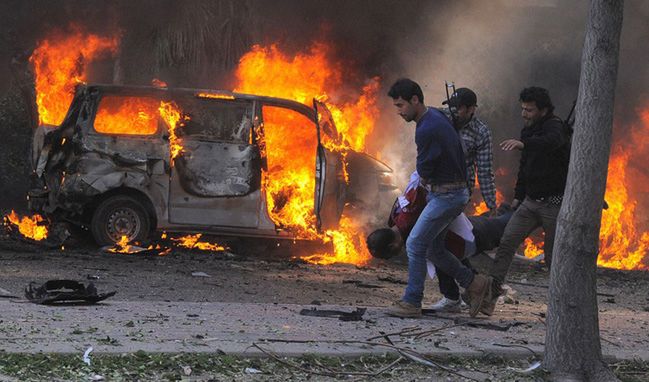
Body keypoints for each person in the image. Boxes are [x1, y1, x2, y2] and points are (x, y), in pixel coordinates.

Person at [385, 78, 492, 318]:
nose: (399, 112)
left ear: (415, 100)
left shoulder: (427, 127)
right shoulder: (433, 116)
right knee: (434, 249)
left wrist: (418, 183)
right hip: (447, 193)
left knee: (414, 243)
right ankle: (476, 284)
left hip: (447, 196)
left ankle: (412, 302)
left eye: (401, 105)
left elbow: (425, 169)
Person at [479, 86, 571, 316]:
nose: (524, 114)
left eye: (529, 110)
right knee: (507, 242)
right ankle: (489, 297)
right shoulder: (528, 131)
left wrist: (525, 144)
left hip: (554, 203)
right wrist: (517, 196)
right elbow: (525, 167)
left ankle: (561, 308)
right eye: (523, 109)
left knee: (553, 258)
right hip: (530, 202)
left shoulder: (555, 127)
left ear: (543, 110)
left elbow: (551, 142)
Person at [433, 87, 498, 312]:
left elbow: (485, 169)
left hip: (458, 193)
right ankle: (470, 289)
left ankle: (461, 291)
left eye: (459, 108)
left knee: (438, 242)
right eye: (452, 107)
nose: (454, 112)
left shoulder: (480, 132)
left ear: (471, 109)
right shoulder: (441, 118)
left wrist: (491, 203)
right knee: (442, 242)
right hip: (434, 190)